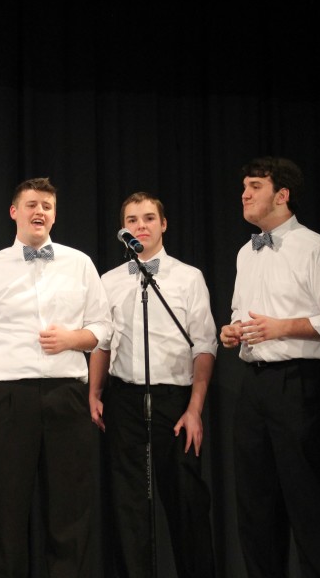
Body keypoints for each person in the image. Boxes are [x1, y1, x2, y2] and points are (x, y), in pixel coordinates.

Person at [0, 177, 110, 577]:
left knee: (70, 510)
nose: (39, 212)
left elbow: (103, 328)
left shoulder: (80, 264)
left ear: (55, 214)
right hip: (8, 398)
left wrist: (73, 338)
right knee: (7, 511)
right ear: (14, 212)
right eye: (31, 205)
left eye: (47, 206)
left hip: (66, 395)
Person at [88, 192, 217, 578]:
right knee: (129, 507)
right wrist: (94, 392)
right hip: (124, 398)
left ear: (163, 224)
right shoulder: (109, 281)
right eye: (131, 220)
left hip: (174, 400)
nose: (139, 226)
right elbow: (102, 341)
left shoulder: (188, 277)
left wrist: (194, 409)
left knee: (186, 503)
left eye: (147, 218)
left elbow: (205, 346)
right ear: (123, 228)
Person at [219, 157, 320, 578]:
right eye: (243, 186)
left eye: (254, 186)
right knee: (255, 506)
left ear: (282, 195)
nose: (244, 194)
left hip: (300, 385)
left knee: (308, 503)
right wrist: (231, 331)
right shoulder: (245, 253)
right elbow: (238, 309)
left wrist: (284, 327)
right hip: (254, 386)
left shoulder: (316, 249)